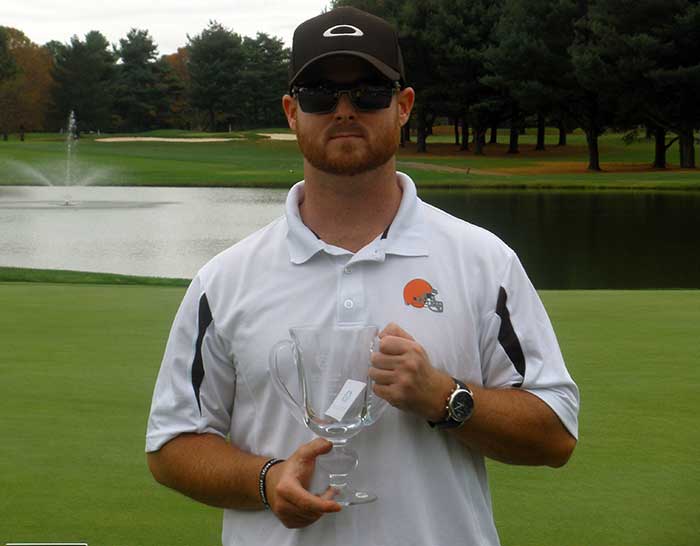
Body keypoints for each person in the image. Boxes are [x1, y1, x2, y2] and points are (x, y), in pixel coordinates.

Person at [146, 6, 579, 546]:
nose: (345, 110)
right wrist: (266, 479)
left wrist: (445, 397)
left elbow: (556, 434)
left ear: (403, 107)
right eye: (320, 94)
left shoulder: (481, 259)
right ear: (291, 111)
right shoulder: (224, 279)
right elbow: (172, 445)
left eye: (370, 92)